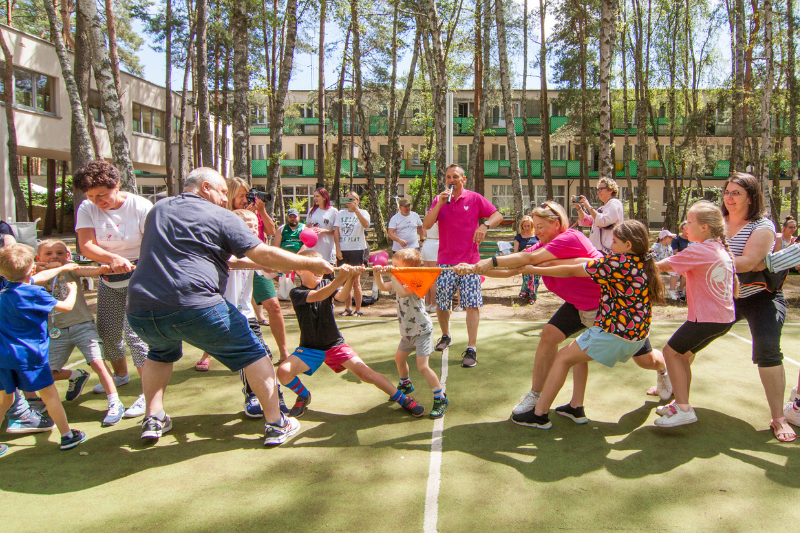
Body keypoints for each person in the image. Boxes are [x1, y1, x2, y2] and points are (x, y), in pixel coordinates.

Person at [125, 167, 333, 445]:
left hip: (141, 307)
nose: (226, 199)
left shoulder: (159, 209)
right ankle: (276, 423)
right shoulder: (221, 216)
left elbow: (197, 254)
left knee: (160, 352)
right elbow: (263, 252)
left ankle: (154, 417)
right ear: (205, 187)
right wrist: (310, 262)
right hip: (194, 304)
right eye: (223, 191)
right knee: (255, 353)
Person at [469, 202, 671, 418]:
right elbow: (515, 269)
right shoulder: (543, 246)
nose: (535, 231)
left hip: (606, 307)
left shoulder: (571, 239)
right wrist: (473, 269)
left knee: (645, 360)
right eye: (534, 226)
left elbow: (551, 266)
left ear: (556, 224)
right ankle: (551, 399)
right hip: (579, 305)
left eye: (540, 226)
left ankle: (664, 370)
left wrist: (494, 261)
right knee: (551, 336)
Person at [506, 221, 665, 429]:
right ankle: (575, 407)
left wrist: (534, 269)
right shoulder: (642, 262)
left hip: (614, 334)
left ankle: (539, 414)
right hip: (638, 336)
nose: (610, 243)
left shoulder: (616, 265)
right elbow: (583, 260)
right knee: (577, 353)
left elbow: (573, 270)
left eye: (614, 241)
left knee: (562, 357)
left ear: (628, 245)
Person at [277, 250, 426, 418]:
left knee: (366, 374)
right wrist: (342, 276)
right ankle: (304, 395)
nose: (318, 269)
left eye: (320, 265)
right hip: (310, 348)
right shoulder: (296, 293)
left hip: (334, 344)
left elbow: (340, 296)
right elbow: (320, 295)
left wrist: (352, 277)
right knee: (283, 371)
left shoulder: (327, 283)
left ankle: (403, 398)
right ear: (299, 270)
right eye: (312, 266)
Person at [74, 160, 151, 419]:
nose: (98, 201)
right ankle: (120, 375)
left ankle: (147, 393)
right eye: (91, 196)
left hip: (140, 276)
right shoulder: (87, 208)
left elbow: (152, 243)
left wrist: (129, 263)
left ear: (116, 186)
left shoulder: (140, 206)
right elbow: (86, 245)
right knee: (107, 333)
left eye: (103, 195)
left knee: (136, 336)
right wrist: (111, 260)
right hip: (108, 277)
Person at [721, 172, 794, 442]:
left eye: (736, 192)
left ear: (751, 197)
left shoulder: (762, 225)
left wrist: (709, 260)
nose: (729, 197)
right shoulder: (716, 223)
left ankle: (778, 417)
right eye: (727, 192)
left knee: (768, 350)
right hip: (725, 298)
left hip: (762, 297)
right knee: (689, 340)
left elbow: (750, 262)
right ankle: (672, 384)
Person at [652, 201, 737, 427]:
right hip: (723, 319)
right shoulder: (718, 248)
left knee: (670, 353)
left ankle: (684, 409)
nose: (685, 227)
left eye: (690, 222)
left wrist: (634, 261)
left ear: (705, 228)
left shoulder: (699, 250)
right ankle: (681, 403)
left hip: (707, 319)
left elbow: (662, 266)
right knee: (682, 356)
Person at [195, 177, 290, 369]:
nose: (245, 199)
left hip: (258, 260)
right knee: (223, 307)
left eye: (247, 195)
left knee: (273, 305)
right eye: (240, 196)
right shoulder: (224, 214)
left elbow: (271, 231)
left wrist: (260, 211)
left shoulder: (254, 213)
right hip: (241, 264)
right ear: (229, 195)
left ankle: (283, 352)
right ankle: (208, 353)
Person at [0, 243, 87, 451]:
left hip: (4, 357)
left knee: (5, 398)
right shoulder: (35, 293)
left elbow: (34, 278)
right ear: (32, 267)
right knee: (50, 396)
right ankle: (67, 435)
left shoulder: (4, 291)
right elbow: (66, 307)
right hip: (31, 357)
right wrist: (72, 290)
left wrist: (61, 269)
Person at [36, 239, 125, 426]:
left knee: (98, 363)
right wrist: (46, 268)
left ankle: (115, 402)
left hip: (82, 325)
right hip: (55, 332)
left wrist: (102, 270)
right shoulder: (35, 275)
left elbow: (87, 271)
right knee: (47, 374)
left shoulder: (70, 268)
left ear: (67, 256)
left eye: (60, 253)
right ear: (39, 258)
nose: (55, 257)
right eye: (49, 254)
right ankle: (76, 375)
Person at [423, 164, 504, 368]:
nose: (451, 180)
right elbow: (426, 224)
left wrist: (484, 225)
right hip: (446, 262)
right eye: (448, 177)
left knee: (471, 304)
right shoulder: (440, 199)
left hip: (470, 263)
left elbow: (498, 215)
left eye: (455, 177)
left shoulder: (474, 198)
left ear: (463, 179)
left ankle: (471, 347)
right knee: (442, 303)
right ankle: (446, 335)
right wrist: (440, 204)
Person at [373, 248, 448, 419]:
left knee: (422, 366)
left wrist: (391, 273)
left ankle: (440, 397)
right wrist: (378, 274)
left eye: (397, 265)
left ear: (409, 268)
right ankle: (405, 384)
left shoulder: (416, 281)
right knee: (399, 359)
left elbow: (402, 292)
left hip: (422, 331)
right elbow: (384, 287)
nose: (393, 266)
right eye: (393, 263)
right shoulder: (398, 279)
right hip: (407, 332)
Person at [334, 192, 370, 317]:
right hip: (344, 250)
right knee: (344, 280)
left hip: (357, 249)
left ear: (358, 201)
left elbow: (366, 225)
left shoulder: (363, 212)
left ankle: (358, 309)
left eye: (353, 199)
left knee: (355, 281)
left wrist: (356, 210)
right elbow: (336, 232)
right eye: (348, 199)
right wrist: (337, 249)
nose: (350, 201)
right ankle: (348, 308)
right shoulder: (340, 213)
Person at [574, 177, 624, 254]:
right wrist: (579, 208)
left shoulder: (615, 203)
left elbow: (603, 221)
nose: (598, 192)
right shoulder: (603, 208)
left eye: (601, 189)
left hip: (609, 250)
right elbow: (587, 221)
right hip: (599, 250)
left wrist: (588, 206)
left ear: (610, 190)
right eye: (598, 189)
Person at [307, 187, 339, 265]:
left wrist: (324, 230)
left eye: (317, 196)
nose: (315, 198)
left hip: (327, 249)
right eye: (314, 196)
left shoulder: (333, 211)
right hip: (313, 249)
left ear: (324, 197)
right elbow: (307, 226)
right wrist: (310, 228)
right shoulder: (311, 210)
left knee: (327, 275)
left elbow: (337, 231)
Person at [513, 216, 540, 305]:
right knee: (528, 271)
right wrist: (523, 251)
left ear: (532, 226)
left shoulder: (537, 236)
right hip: (524, 259)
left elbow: (542, 248)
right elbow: (515, 253)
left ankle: (531, 295)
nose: (527, 228)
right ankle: (527, 293)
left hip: (536, 259)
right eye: (525, 226)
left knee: (534, 272)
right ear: (522, 226)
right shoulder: (519, 237)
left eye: (528, 226)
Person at [420, 221, 439, 313]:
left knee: (428, 277)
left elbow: (423, 232)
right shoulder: (439, 218)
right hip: (435, 245)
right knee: (434, 277)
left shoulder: (428, 217)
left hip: (427, 244)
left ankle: (428, 303)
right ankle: (434, 304)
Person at [669, 221, 692, 299]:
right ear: (681, 229)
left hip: (691, 261)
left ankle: (685, 290)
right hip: (680, 261)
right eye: (685, 228)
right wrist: (686, 252)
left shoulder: (692, 240)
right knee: (686, 272)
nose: (687, 230)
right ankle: (680, 290)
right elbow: (675, 253)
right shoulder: (676, 240)